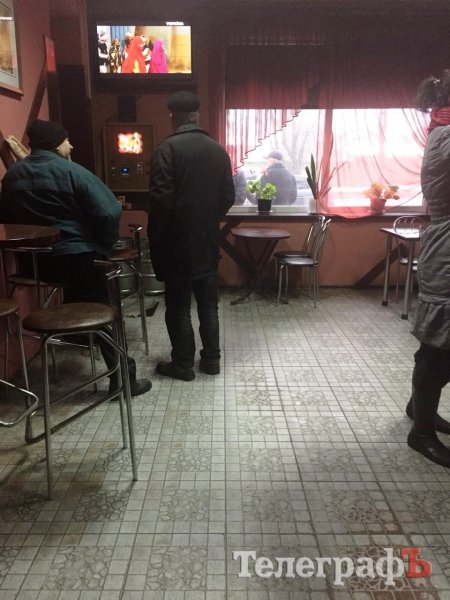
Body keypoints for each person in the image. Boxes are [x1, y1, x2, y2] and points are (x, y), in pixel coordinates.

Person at [0, 119, 152, 397]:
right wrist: (103, 245)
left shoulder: (13, 176)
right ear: (56, 144)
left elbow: (8, 218)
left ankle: (75, 341)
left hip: (33, 266)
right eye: (67, 140)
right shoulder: (72, 172)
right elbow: (109, 211)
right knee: (105, 313)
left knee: (76, 302)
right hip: (76, 259)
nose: (71, 145)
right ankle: (124, 379)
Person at [147, 91, 235, 381]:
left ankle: (183, 364)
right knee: (209, 305)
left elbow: (160, 201)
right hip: (207, 241)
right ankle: (211, 360)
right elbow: (228, 196)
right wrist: (207, 218)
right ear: (196, 116)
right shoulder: (217, 150)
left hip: (176, 244)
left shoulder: (166, 150)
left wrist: (158, 238)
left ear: (174, 116)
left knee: (178, 306)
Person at [406, 70, 450, 467]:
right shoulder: (446, 135)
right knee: (439, 349)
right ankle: (421, 431)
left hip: (443, 246)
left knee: (439, 346)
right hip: (446, 252)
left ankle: (420, 407)